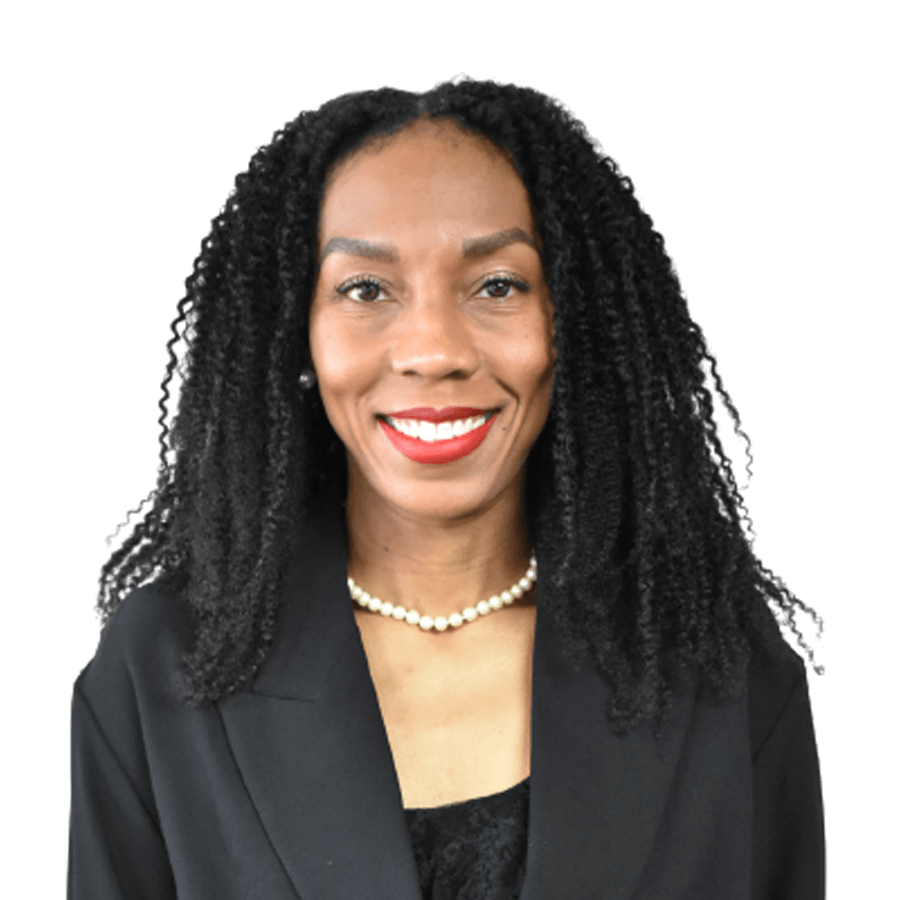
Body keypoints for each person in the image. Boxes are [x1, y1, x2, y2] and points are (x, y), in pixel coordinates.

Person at [67, 75, 827, 900]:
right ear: (299, 336)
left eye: (497, 285)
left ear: (571, 326)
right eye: (365, 289)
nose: (434, 349)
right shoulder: (162, 666)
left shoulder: (720, 662)